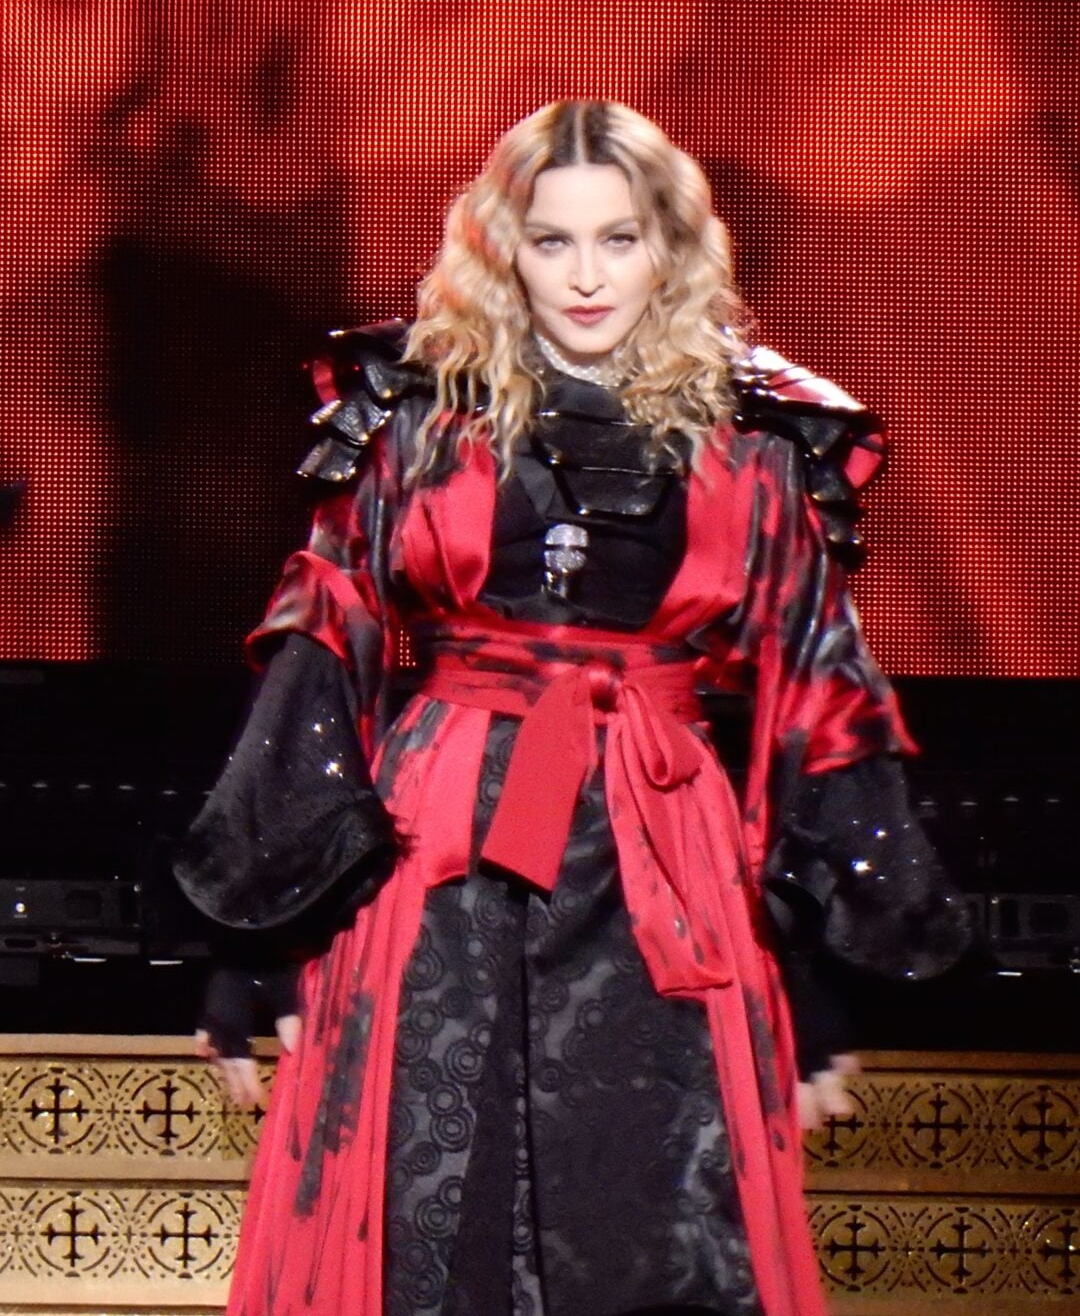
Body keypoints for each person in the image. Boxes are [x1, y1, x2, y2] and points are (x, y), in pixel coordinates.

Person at [174, 100, 970, 1316]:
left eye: (619, 239)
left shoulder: (762, 438)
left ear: (671, 245)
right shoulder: (414, 416)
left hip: (667, 854)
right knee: (436, 1203)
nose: (587, 276)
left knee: (660, 1212)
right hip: (443, 852)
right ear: (505, 246)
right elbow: (322, 651)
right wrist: (256, 939)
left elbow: (822, 689)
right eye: (553, 242)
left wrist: (821, 978)